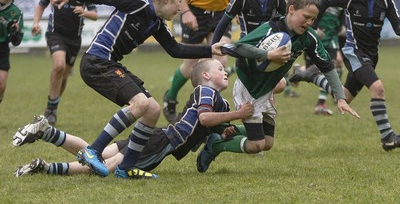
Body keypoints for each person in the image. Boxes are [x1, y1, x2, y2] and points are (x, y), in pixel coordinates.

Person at [47, 0, 226, 179]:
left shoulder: (157, 23)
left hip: (110, 64)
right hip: (96, 61)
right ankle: (93, 150)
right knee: (140, 103)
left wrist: (210, 49)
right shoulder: (138, 3)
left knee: (153, 109)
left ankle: (126, 167)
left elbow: (175, 49)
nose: (179, 9)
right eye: (179, 3)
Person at [196, 0, 360, 173]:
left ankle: (224, 131)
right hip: (249, 87)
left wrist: (340, 97)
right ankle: (216, 145)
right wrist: (267, 55)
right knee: (256, 144)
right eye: (305, 16)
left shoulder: (309, 38)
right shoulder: (270, 29)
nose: (309, 22)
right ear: (291, 9)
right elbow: (238, 47)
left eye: (313, 19)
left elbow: (327, 67)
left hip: (267, 90)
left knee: (268, 143)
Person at [13, 59, 253, 177]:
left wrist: (224, 132)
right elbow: (204, 119)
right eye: (221, 70)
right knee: (103, 169)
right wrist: (238, 115)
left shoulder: (220, 102)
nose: (225, 72)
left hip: (156, 137)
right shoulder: (205, 91)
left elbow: (211, 126)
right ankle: (48, 164)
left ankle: (46, 135)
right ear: (206, 75)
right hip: (162, 141)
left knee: (96, 155)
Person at [290, 0, 400, 151]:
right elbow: (321, 3)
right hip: (353, 53)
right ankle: (388, 137)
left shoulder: (387, 2)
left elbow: (398, 28)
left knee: (343, 97)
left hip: (372, 57)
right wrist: (313, 27)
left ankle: (311, 76)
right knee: (378, 88)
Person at [163, 0, 243, 124]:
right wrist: (186, 12)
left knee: (221, 59)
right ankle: (171, 97)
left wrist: (239, 7)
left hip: (222, 14)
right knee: (191, 65)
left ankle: (210, 106)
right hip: (196, 13)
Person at [31, 0, 98, 126]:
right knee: (58, 65)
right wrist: (36, 22)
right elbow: (41, 5)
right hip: (56, 34)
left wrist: (84, 12)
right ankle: (51, 109)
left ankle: (52, 107)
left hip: (74, 39)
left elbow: (95, 14)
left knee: (65, 76)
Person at [211, 0, 288, 96]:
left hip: (269, 49)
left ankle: (262, 106)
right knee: (252, 98)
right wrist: (212, 46)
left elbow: (288, 23)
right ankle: (242, 95)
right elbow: (223, 23)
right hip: (247, 51)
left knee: (279, 85)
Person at [310, 0, 344, 115]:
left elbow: (343, 14)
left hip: (333, 38)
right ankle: (334, 94)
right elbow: (307, 10)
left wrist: (343, 26)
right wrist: (314, 28)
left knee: (335, 64)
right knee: (318, 69)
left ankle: (323, 101)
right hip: (317, 38)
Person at [0, 0, 24, 104]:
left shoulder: (16, 12)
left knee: (1, 85)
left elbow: (17, 41)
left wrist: (14, 34)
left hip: (2, 48)